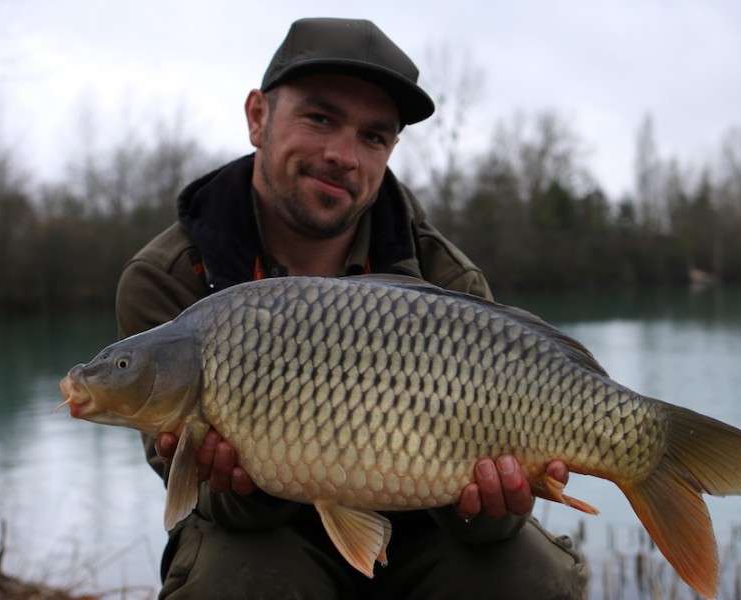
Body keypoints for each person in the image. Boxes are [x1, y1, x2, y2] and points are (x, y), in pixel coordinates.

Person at [115, 17, 587, 599]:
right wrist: (254, 479)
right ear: (258, 117)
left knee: (527, 572)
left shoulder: (448, 279)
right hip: (260, 534)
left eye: (373, 136)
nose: (343, 154)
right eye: (320, 118)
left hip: (428, 524)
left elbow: (495, 519)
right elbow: (200, 499)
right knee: (237, 580)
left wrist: (490, 508)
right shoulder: (167, 280)